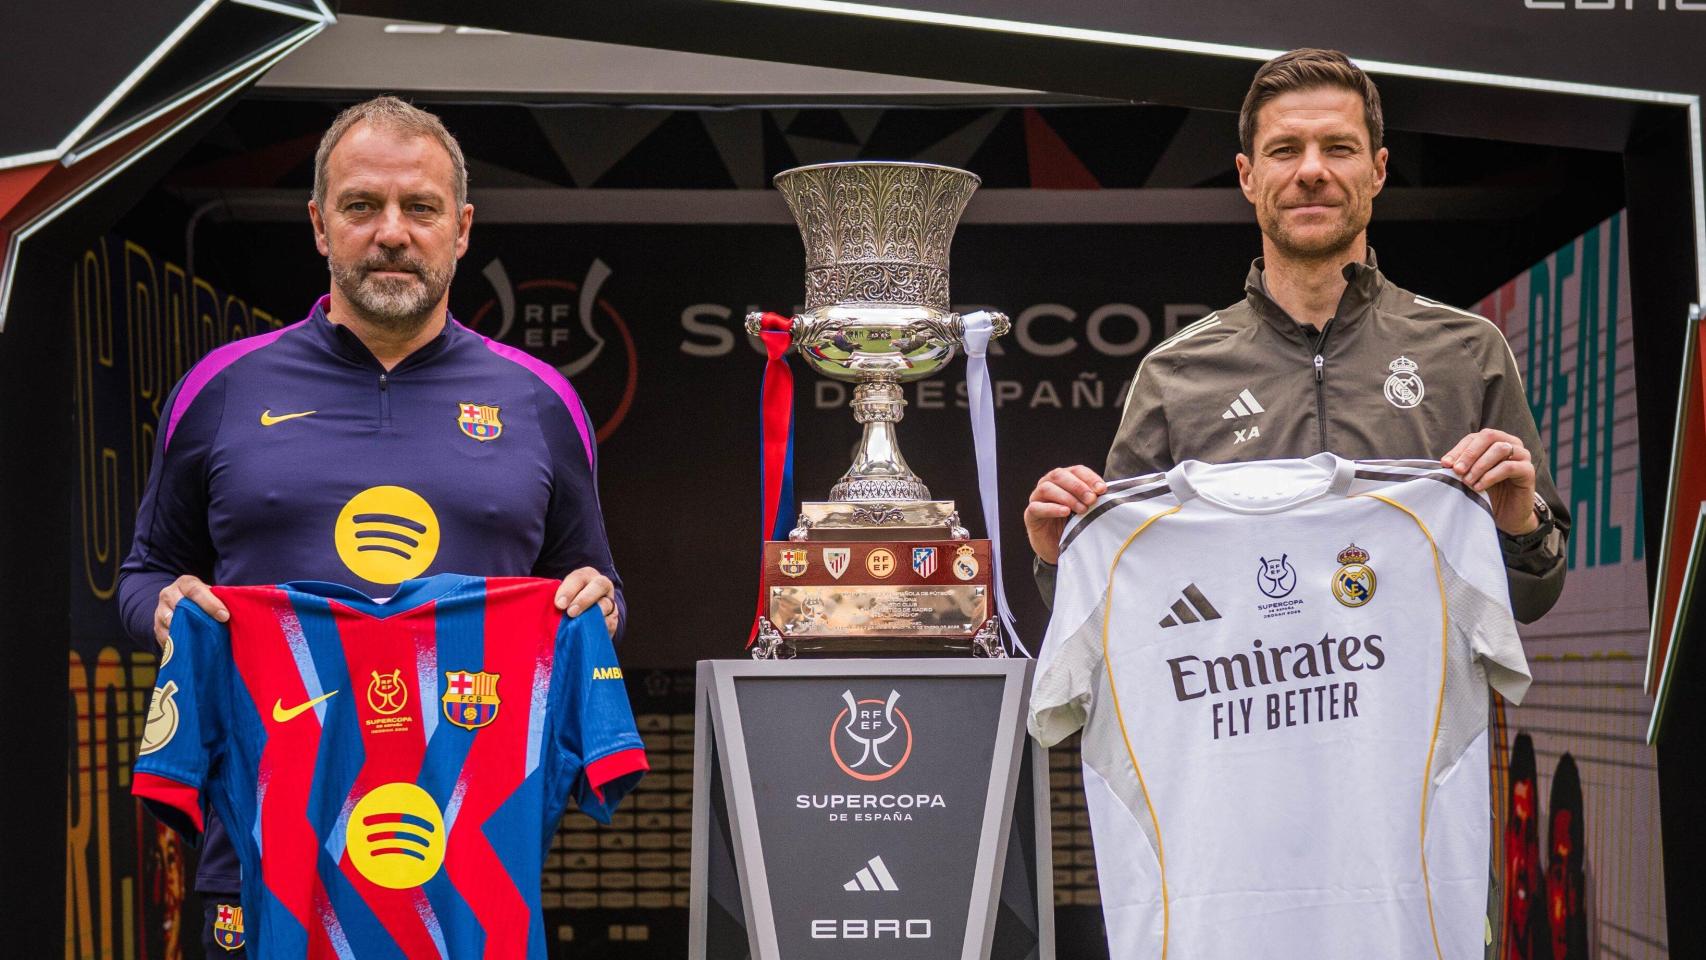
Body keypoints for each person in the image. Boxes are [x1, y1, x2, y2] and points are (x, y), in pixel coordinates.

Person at [116, 96, 623, 957]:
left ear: (461, 229)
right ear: (319, 225)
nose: (392, 232)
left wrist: (599, 605)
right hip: (261, 867)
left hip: (466, 871)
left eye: (419, 208)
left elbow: (596, 590)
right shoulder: (223, 389)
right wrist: (168, 610)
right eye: (361, 206)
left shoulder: (541, 401)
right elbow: (140, 577)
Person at [1024, 48, 1568, 624]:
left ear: (1379, 169)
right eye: (1285, 150)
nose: (1312, 171)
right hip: (1236, 701)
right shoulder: (1175, 371)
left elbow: (1533, 600)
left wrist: (1519, 525)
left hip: (1424, 713)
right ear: (1248, 176)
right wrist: (1058, 556)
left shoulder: (1467, 350)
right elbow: (1117, 604)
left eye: (1338, 147)